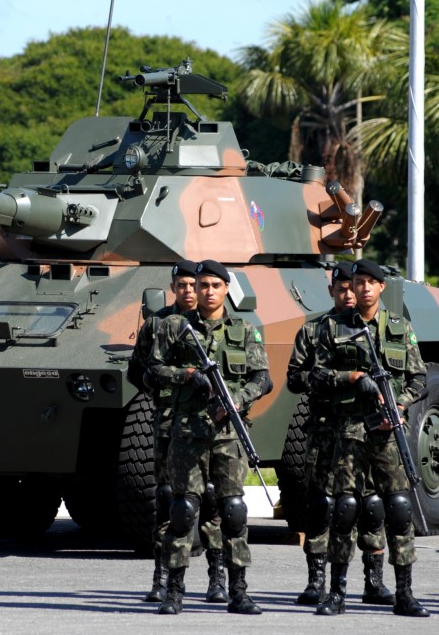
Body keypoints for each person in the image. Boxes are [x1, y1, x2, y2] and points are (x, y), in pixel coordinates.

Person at [145, 260, 272, 615]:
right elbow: (152, 370)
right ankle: (174, 591)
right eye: (202, 285)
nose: (208, 291)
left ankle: (238, 591)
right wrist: (187, 375)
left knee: (233, 511)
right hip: (187, 432)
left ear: (227, 289)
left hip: (228, 434)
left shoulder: (245, 330)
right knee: (182, 510)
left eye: (215, 285)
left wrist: (237, 400)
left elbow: (263, 378)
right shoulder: (174, 326)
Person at [308, 259, 430, 617]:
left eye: (369, 282)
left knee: (398, 508)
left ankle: (404, 593)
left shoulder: (399, 328)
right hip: (349, 430)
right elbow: (315, 375)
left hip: (388, 433)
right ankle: (336, 593)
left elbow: (419, 378)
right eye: (357, 282)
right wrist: (351, 378)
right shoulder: (332, 327)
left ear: (381, 287)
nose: (362, 288)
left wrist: (400, 404)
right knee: (345, 510)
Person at [287, 261, 395, 607]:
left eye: (355, 287)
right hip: (326, 431)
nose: (350, 295)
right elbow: (295, 379)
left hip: (370, 431)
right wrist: (339, 379)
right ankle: (316, 580)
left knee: (371, 505)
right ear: (331, 291)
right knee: (323, 506)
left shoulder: (381, 329)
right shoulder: (314, 330)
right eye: (343, 288)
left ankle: (374, 581)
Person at [127, 260, 228, 604]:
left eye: (192, 284)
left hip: (209, 424)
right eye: (181, 285)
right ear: (173, 288)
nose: (188, 290)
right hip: (169, 424)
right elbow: (139, 371)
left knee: (212, 497)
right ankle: (162, 577)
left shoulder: (217, 325)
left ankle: (217, 577)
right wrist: (164, 394)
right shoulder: (158, 325)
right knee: (169, 499)